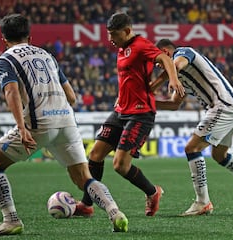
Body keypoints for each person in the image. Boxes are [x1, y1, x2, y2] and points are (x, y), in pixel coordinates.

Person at [0, 14, 128, 236]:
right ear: (30, 36)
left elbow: (11, 91)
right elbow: (72, 96)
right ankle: (114, 211)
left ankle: (11, 220)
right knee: (84, 177)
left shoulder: (5, 59)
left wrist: (22, 128)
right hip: (66, 120)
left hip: (38, 123)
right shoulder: (47, 55)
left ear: (4, 39)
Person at [74, 12, 185, 218]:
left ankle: (153, 192)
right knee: (95, 155)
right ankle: (87, 204)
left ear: (126, 31)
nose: (110, 40)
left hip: (140, 114)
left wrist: (173, 80)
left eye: (114, 35)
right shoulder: (122, 48)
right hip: (120, 111)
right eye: (109, 35)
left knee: (120, 165)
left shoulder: (142, 45)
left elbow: (165, 59)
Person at [152, 39, 233, 216]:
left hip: (223, 106)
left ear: (165, 52)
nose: (158, 66)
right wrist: (147, 103)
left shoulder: (184, 53)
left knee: (192, 148)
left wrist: (151, 87)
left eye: (158, 61)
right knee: (219, 155)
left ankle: (203, 202)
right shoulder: (180, 76)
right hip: (232, 106)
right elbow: (173, 104)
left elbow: (175, 67)